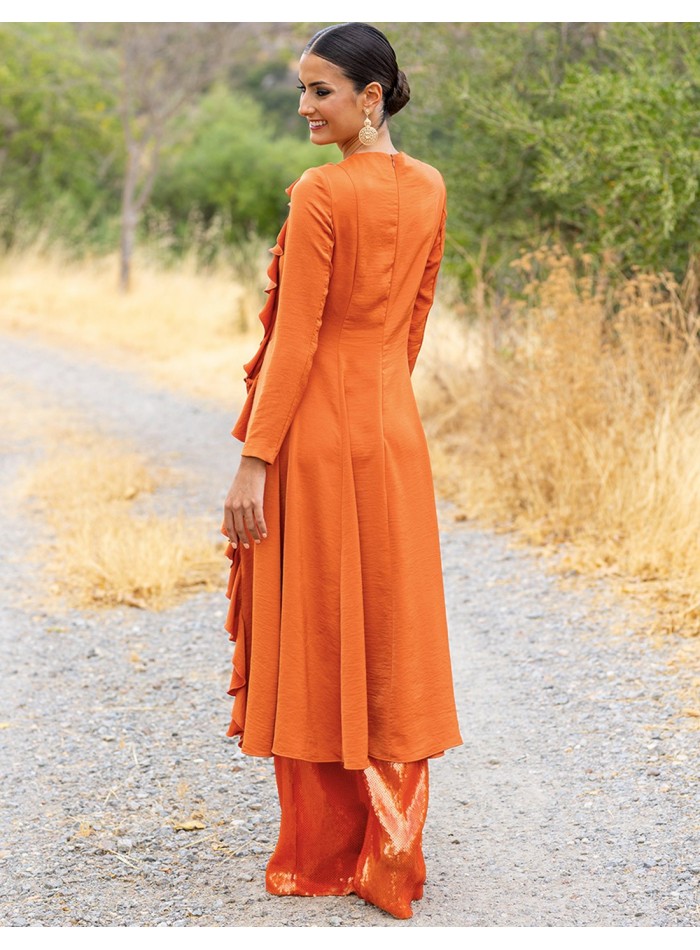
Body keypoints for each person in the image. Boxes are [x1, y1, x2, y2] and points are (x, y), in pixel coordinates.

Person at [220, 21, 462, 921]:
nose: (304, 108)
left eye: (321, 91)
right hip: (394, 430)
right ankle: (392, 854)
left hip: (314, 434)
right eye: (300, 90)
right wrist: (378, 411)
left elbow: (295, 340)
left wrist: (255, 461)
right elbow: (413, 325)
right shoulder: (432, 189)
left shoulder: (321, 194)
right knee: (389, 622)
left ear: (372, 97)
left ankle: (321, 857)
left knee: (322, 623)